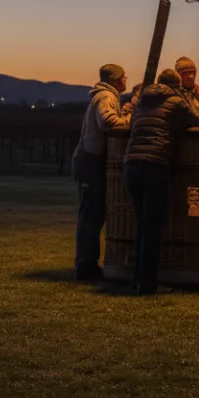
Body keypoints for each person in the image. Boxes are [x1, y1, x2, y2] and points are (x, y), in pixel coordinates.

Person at [124, 68, 199, 294]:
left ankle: (136, 280)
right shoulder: (175, 100)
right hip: (155, 163)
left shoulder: (142, 101)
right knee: (152, 227)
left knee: (141, 225)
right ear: (175, 85)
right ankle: (148, 284)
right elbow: (198, 121)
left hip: (131, 163)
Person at [70, 63, 133, 281]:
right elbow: (110, 124)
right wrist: (129, 119)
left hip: (89, 161)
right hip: (91, 163)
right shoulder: (106, 97)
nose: (126, 80)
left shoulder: (103, 96)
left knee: (92, 215)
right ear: (116, 80)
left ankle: (87, 263)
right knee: (91, 217)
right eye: (124, 77)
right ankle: (86, 267)